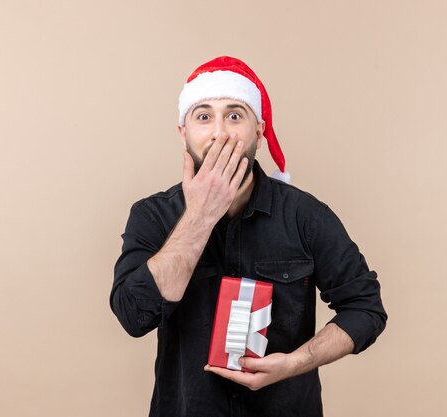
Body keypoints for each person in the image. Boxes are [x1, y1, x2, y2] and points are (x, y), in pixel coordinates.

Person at [110, 56, 387, 417]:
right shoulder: (152, 216)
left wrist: (296, 362)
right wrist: (199, 218)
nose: (220, 132)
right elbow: (134, 316)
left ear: (259, 130)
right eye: (204, 116)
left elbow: (365, 308)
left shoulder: (306, 216)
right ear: (183, 132)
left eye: (235, 115)